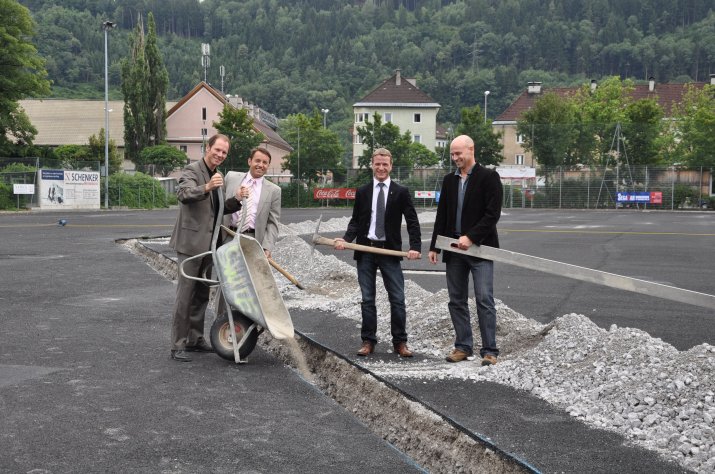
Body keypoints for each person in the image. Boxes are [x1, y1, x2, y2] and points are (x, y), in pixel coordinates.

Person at [334, 148, 421, 357]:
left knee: (397, 299)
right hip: (366, 252)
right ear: (372, 165)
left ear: (391, 166)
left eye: (385, 164)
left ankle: (400, 342)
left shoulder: (400, 192)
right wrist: (346, 239)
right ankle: (368, 341)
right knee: (367, 299)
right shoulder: (363, 191)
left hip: (389, 252)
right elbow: (356, 221)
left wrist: (415, 247)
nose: (381, 168)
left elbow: (412, 221)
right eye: (377, 164)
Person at [428, 135, 503, 366]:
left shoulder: (489, 177)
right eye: (452, 154)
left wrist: (471, 237)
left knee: (484, 299)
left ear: (471, 149)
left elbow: (492, 214)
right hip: (454, 250)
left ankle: (489, 351)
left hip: (480, 249)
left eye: (458, 153)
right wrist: (434, 246)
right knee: (456, 300)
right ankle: (463, 346)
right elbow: (442, 214)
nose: (455, 158)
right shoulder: (449, 180)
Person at [168, 134, 241, 362]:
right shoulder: (192, 171)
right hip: (190, 244)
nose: (220, 154)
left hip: (210, 245)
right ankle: (177, 344)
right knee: (185, 295)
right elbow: (183, 194)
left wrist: (236, 199)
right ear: (207, 148)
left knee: (201, 294)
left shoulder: (217, 175)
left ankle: (195, 339)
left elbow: (217, 210)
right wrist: (207, 187)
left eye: (224, 152)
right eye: (217, 150)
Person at [223, 147, 281, 258]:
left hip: (253, 241)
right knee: (224, 269)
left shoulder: (274, 190)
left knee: (248, 270)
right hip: (228, 236)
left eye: (265, 162)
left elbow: (273, 222)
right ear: (250, 161)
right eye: (257, 161)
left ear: (268, 165)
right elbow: (219, 205)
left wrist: (267, 247)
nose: (261, 165)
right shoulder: (231, 177)